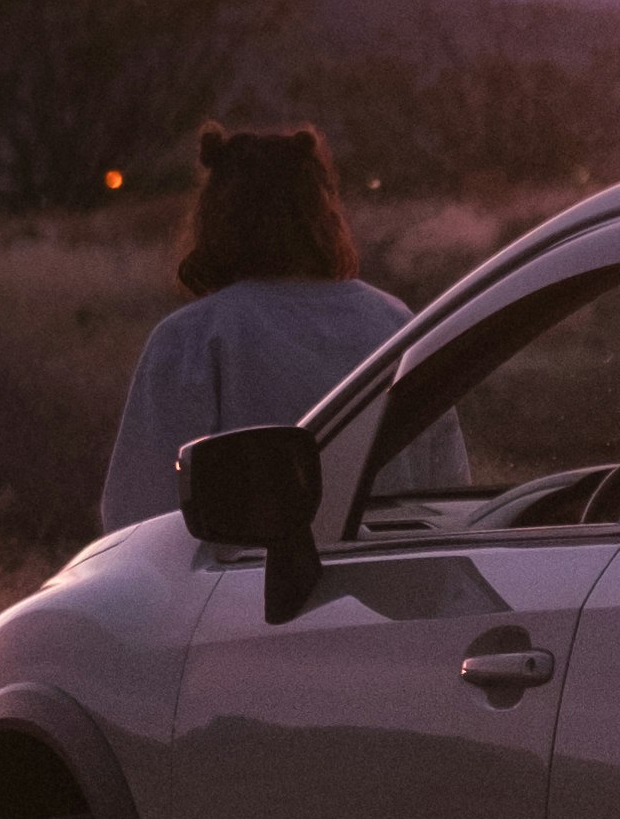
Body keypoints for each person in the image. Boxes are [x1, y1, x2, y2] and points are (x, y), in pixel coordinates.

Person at [98, 122, 404, 531]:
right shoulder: (396, 322)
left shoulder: (193, 339)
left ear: (215, 217)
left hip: (245, 589)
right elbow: (445, 486)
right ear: (321, 212)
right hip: (391, 580)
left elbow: (137, 517)